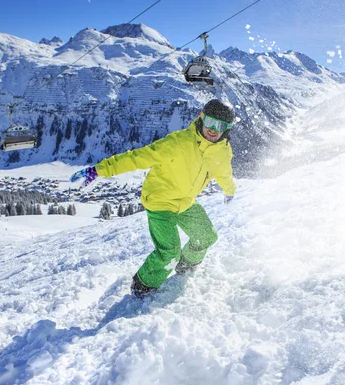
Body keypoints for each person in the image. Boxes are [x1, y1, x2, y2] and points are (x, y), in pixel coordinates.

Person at [70, 99, 237, 297]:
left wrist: (229, 190)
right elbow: (138, 157)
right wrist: (99, 170)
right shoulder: (178, 142)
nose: (213, 130)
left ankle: (185, 267)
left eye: (221, 126)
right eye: (210, 122)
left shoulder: (223, 150)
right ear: (201, 118)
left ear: (227, 129)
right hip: (160, 201)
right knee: (169, 251)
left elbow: (223, 173)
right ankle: (143, 285)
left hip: (185, 202)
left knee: (206, 236)